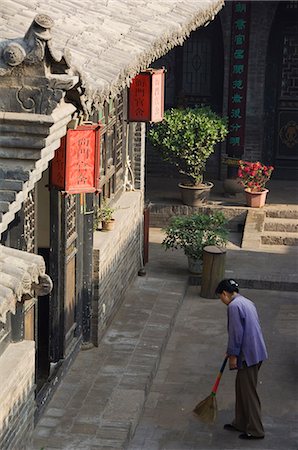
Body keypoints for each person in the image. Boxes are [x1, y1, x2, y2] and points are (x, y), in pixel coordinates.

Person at [215, 279, 268, 440]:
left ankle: (256, 430)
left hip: (249, 356)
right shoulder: (246, 302)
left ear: (225, 293)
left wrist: (233, 356)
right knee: (241, 388)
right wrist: (231, 351)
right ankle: (240, 422)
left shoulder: (233, 306)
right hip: (256, 352)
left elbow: (236, 334)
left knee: (248, 392)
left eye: (220, 297)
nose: (221, 300)